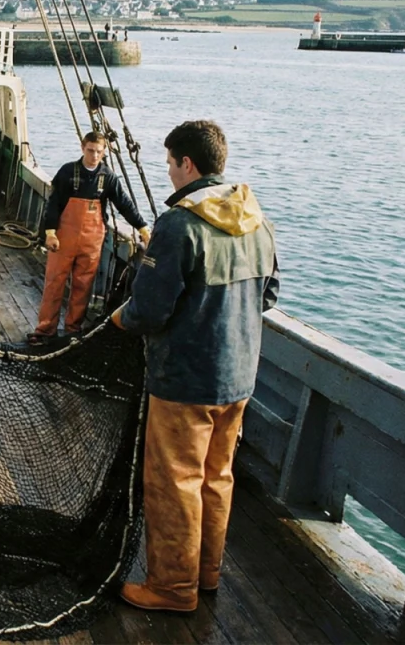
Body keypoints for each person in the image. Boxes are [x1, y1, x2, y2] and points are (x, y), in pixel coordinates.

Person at [109, 120, 280, 613]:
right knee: (215, 477)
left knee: (175, 481)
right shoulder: (258, 219)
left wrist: (121, 319)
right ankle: (206, 575)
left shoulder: (180, 223)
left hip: (185, 380)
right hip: (239, 377)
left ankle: (171, 587)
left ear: (188, 164)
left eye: (168, 163)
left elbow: (150, 310)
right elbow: (268, 295)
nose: (167, 173)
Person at [30, 131, 150, 344]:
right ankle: (45, 330)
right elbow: (54, 204)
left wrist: (142, 228)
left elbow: (124, 204)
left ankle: (72, 330)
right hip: (63, 239)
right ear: (82, 147)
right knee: (54, 283)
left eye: (99, 152)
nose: (94, 156)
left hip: (92, 241)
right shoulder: (67, 172)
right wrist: (50, 233)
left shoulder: (108, 177)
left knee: (83, 286)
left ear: (104, 152)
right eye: (90, 150)